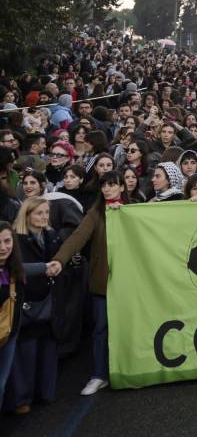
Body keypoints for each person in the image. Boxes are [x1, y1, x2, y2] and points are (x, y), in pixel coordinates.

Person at [50, 169, 127, 395]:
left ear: (122, 187)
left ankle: (128, 369)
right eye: (104, 185)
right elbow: (77, 238)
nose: (107, 189)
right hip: (103, 283)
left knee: (129, 327)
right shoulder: (95, 214)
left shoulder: (134, 210)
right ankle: (99, 375)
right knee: (100, 329)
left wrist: (194, 202)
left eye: (112, 184)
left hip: (130, 283)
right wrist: (59, 260)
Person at [5, 197, 62, 414]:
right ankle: (21, 399)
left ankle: (44, 393)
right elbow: (16, 268)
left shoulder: (51, 236)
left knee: (47, 350)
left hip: (49, 301)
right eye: (39, 213)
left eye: (46, 212)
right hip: (26, 303)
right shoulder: (15, 240)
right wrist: (45, 267)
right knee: (25, 355)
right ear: (27, 215)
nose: (44, 217)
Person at [0, 220, 26, 403]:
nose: (3, 248)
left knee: (1, 384)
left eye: (7, 241)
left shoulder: (15, 269)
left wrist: (49, 266)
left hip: (9, 334)